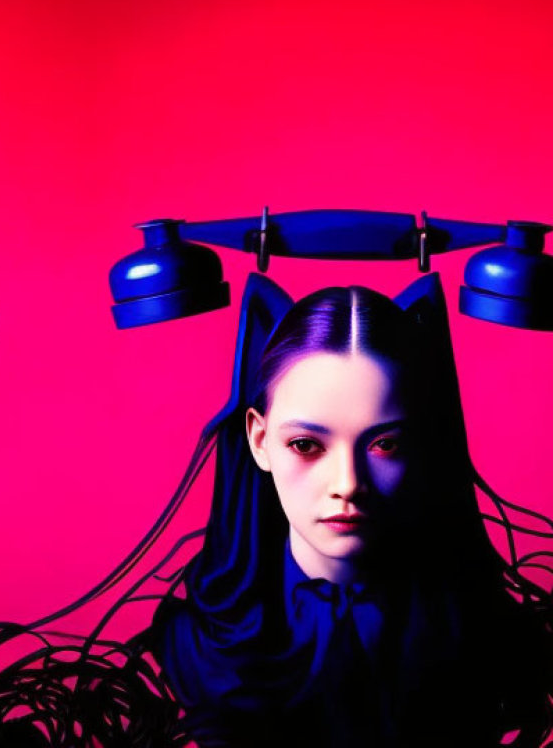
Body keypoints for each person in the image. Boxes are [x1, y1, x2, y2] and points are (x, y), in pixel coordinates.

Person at [151, 272, 553, 747]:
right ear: (259, 441)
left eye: (385, 444)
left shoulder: (482, 640)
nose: (348, 485)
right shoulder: (200, 643)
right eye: (305, 445)